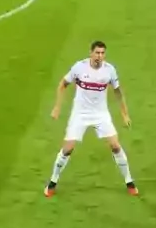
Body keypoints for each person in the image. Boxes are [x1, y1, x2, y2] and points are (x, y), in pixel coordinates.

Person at [47, 41, 137, 198]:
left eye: (102, 53)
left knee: (115, 145)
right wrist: (57, 107)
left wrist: (124, 114)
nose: (99, 56)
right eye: (97, 53)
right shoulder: (79, 67)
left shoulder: (109, 70)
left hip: (100, 113)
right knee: (67, 148)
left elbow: (118, 92)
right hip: (80, 113)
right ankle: (52, 182)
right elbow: (63, 84)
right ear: (90, 53)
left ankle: (129, 181)